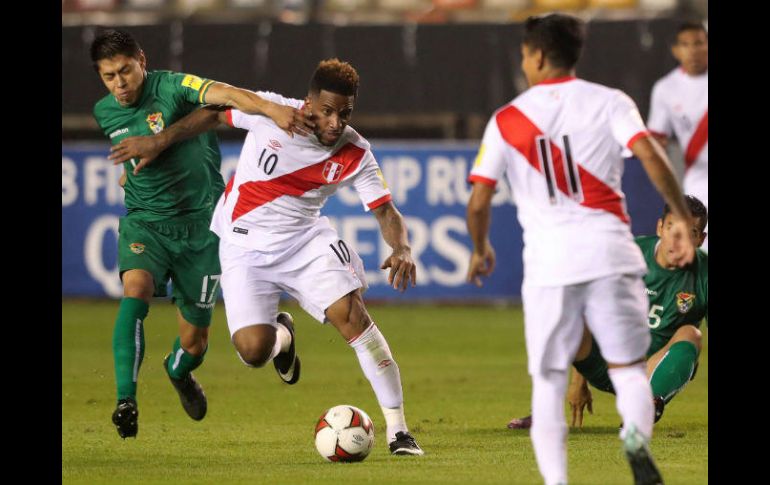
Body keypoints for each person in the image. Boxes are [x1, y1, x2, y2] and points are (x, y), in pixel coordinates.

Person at [108, 58, 425, 456]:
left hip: (304, 242)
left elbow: (386, 211)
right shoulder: (271, 111)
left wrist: (401, 247)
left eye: (343, 114)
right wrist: (160, 141)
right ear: (308, 102)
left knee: (354, 318)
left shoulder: (356, 152)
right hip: (243, 246)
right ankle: (283, 335)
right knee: (253, 351)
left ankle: (399, 431)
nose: (334, 123)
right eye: (326, 111)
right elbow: (212, 115)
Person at [466, 13, 695, 485]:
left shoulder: (507, 119)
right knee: (630, 368)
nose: (524, 60)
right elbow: (652, 157)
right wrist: (681, 214)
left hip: (552, 264)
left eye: (526, 54)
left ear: (538, 56)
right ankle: (635, 435)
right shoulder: (611, 102)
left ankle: (556, 482)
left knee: (549, 381)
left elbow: (479, 200)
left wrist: (480, 247)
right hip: (613, 253)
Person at [91, 28, 313, 439]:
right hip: (147, 223)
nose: (120, 83)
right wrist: (131, 177)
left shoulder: (174, 87)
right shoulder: (105, 111)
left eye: (125, 71)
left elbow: (227, 94)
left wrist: (269, 109)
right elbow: (131, 149)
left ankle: (178, 372)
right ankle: (126, 400)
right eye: (109, 76)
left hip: (203, 228)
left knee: (194, 343)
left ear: (142, 59)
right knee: (134, 290)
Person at [508, 195, 708, 429]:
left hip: (653, 372)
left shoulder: (704, 274)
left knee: (691, 334)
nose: (678, 240)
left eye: (690, 233)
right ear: (660, 227)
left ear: (700, 239)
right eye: (672, 227)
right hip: (607, 362)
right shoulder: (627, 255)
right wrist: (578, 382)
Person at [647, 22, 708, 252]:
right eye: (686, 45)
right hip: (699, 183)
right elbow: (656, 137)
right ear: (676, 50)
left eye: (699, 43)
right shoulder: (666, 89)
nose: (693, 50)